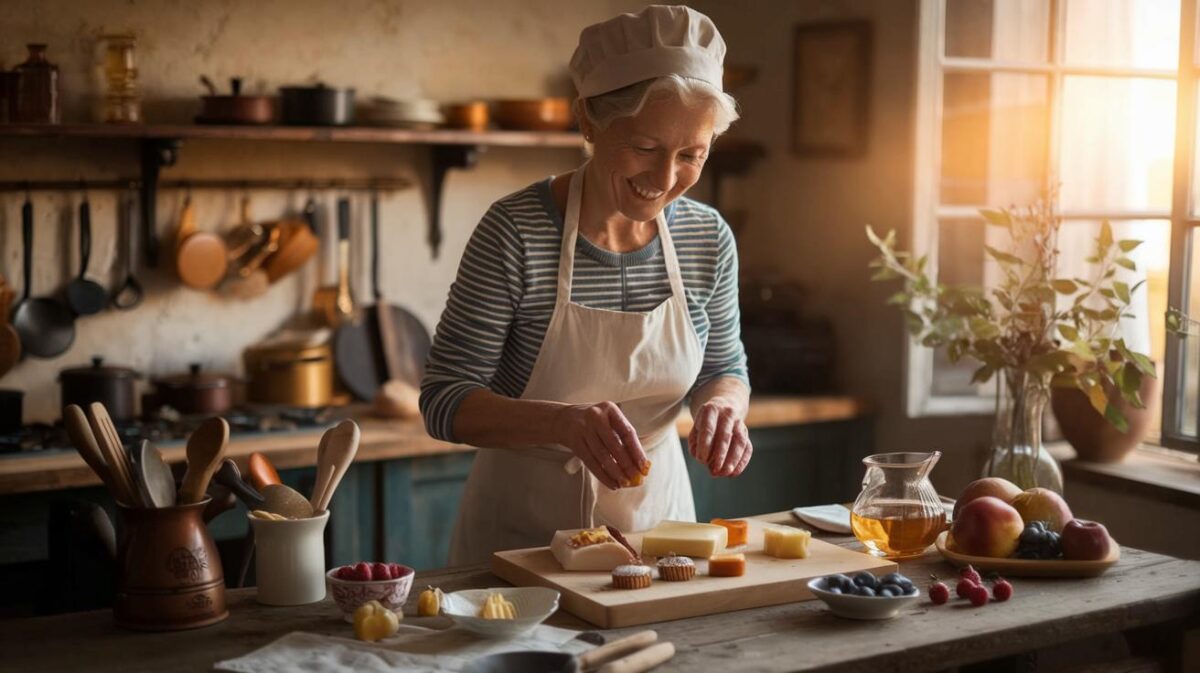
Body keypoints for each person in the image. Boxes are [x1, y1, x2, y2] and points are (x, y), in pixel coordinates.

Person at [421, 5, 752, 566]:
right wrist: (560, 422)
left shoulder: (707, 237)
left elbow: (725, 367)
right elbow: (444, 400)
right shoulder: (516, 230)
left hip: (659, 527)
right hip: (521, 534)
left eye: (692, 155)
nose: (665, 180)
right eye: (645, 148)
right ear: (589, 123)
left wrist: (723, 407)